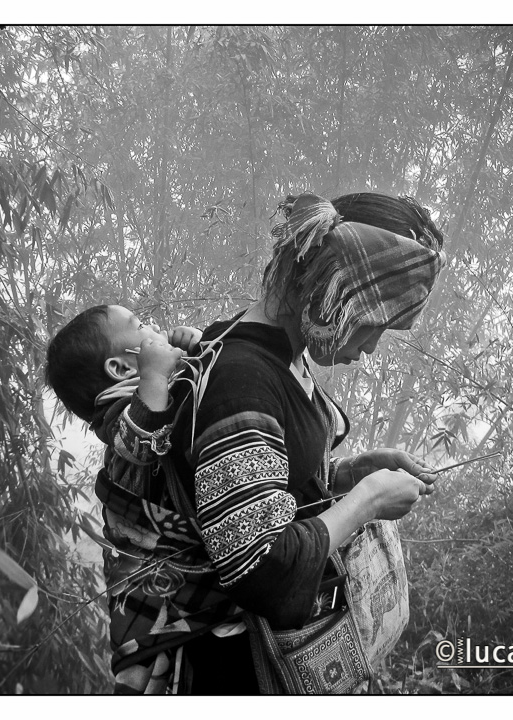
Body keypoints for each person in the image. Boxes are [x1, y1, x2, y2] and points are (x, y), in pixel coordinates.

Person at [165, 190, 447, 693]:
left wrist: (348, 473)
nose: (371, 346)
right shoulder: (241, 381)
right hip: (236, 673)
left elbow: (273, 486)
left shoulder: (281, 358)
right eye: (372, 324)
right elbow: (258, 564)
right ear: (334, 289)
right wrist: (368, 501)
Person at [44, 305, 241, 693]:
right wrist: (154, 372)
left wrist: (194, 345)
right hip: (163, 575)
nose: (152, 326)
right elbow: (141, 442)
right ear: (121, 369)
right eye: (139, 326)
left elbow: (204, 383)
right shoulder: (118, 414)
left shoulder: (159, 388)